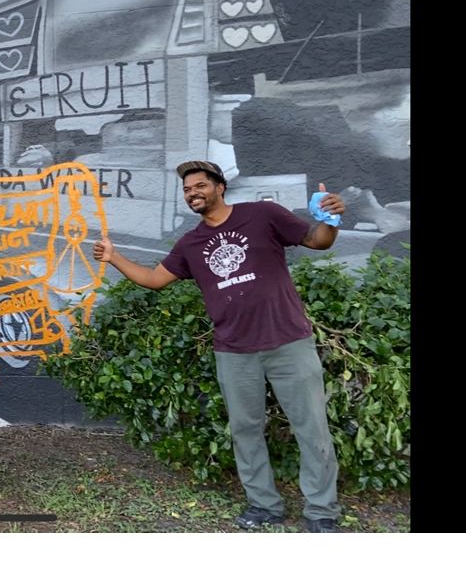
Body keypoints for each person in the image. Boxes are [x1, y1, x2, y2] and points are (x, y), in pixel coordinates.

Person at [92, 161, 345, 533]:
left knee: (312, 428)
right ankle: (263, 505)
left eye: (199, 185)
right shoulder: (191, 243)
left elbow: (317, 240)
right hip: (234, 350)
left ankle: (321, 511)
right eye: (187, 189)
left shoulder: (262, 215)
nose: (192, 193)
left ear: (219, 187)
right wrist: (113, 257)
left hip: (289, 341)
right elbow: (155, 279)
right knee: (245, 431)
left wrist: (330, 218)